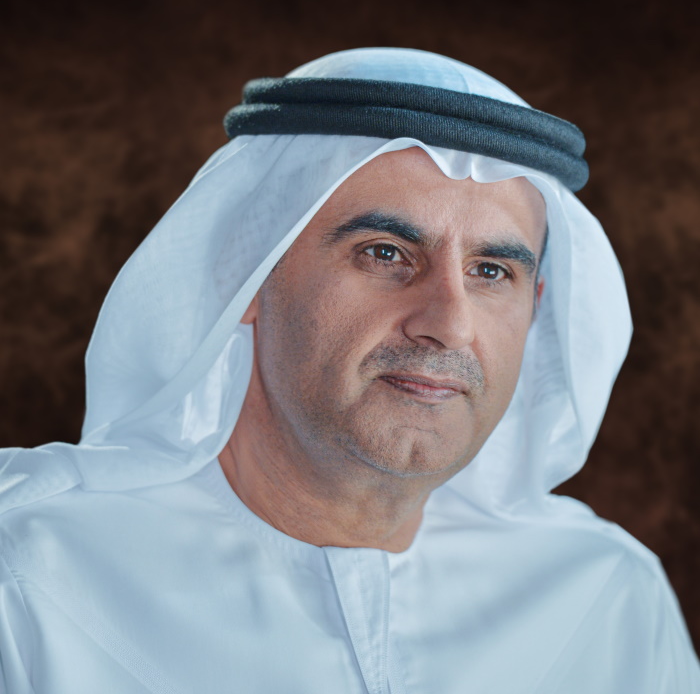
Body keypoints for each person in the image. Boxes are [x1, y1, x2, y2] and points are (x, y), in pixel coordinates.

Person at [0, 47, 698, 693]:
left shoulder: (608, 598)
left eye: (491, 271)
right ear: (245, 276)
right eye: (386, 253)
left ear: (536, 305)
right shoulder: (27, 570)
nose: (449, 324)